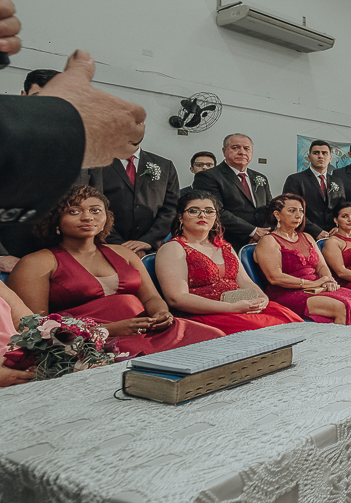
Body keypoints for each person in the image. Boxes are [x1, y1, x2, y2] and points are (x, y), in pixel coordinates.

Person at [7, 186, 223, 357]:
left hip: (147, 330)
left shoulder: (124, 253)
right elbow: (35, 327)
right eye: (74, 211)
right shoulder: (37, 262)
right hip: (91, 341)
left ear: (105, 219)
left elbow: (151, 298)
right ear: (55, 220)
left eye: (95, 210)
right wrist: (109, 330)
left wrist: (161, 314)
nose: (87, 217)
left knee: (214, 337)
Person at [2, 47, 146, 232]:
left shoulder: (84, 144)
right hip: (13, 243)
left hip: (67, 242)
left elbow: (96, 199)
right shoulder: (8, 139)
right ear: (24, 96)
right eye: (39, 98)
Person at [154, 190, 303, 333]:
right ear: (180, 217)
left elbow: (246, 282)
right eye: (193, 211)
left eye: (209, 211)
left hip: (239, 307)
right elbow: (177, 298)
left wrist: (262, 299)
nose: (202, 215)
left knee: (289, 318)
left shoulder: (225, 247)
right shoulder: (173, 248)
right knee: (268, 329)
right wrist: (230, 308)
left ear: (216, 217)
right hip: (204, 315)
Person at [253, 193, 351, 325]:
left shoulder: (307, 237)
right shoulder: (269, 241)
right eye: (292, 211)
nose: (299, 215)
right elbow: (275, 277)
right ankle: (340, 345)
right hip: (286, 293)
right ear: (277, 215)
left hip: (317, 286)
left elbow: (321, 266)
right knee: (341, 306)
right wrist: (313, 284)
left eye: (301, 211)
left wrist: (328, 280)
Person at [192, 133, 272, 249]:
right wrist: (253, 231)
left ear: (252, 152)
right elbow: (216, 211)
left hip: (262, 241)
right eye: (235, 148)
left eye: (246, 148)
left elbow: (271, 208)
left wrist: (264, 232)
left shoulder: (260, 177)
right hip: (227, 241)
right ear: (224, 151)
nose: (242, 152)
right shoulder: (208, 176)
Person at [101, 142, 180, 256]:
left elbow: (172, 209)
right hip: (108, 246)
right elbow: (92, 206)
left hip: (151, 248)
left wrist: (148, 240)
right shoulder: (96, 164)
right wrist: (118, 244)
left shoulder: (164, 165)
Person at [282, 140, 344, 240]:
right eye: (316, 153)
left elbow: (342, 208)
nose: (320, 156)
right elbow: (291, 211)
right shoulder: (295, 180)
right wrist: (316, 231)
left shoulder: (338, 182)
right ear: (309, 157)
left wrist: (339, 227)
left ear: (330, 158)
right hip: (305, 235)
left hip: (334, 236)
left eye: (324, 153)